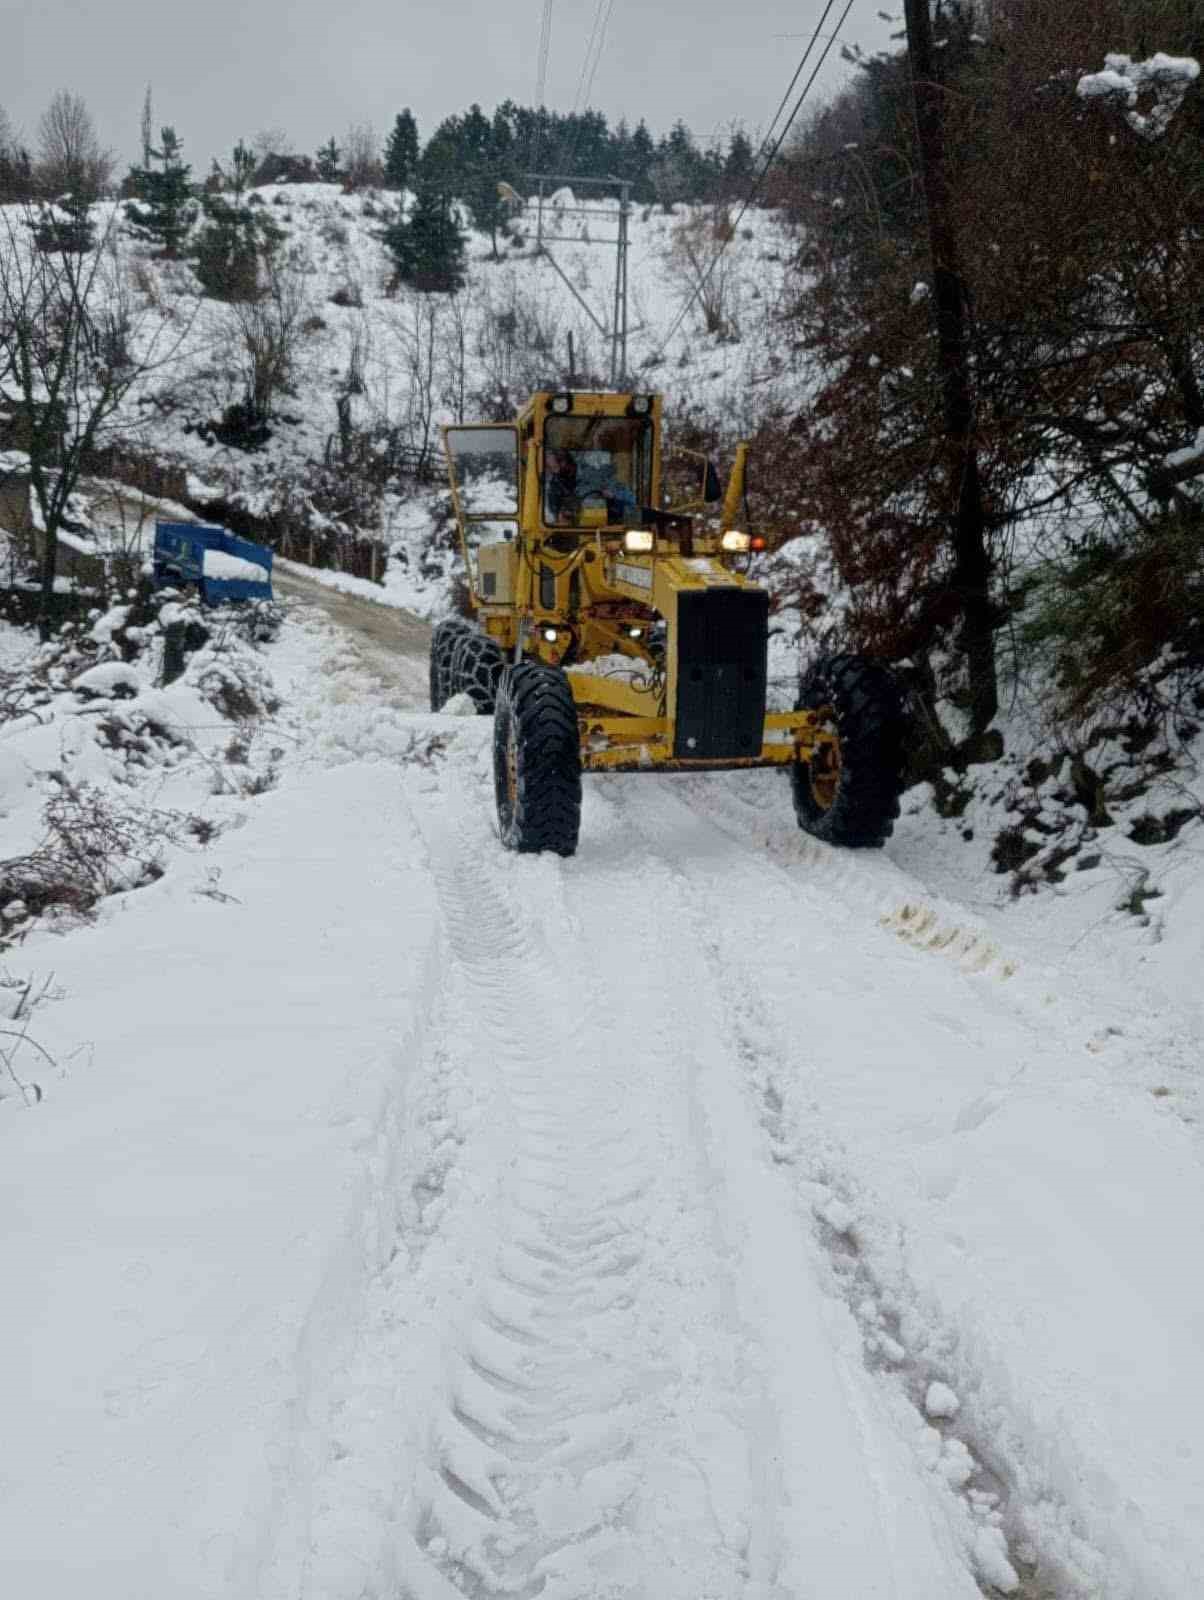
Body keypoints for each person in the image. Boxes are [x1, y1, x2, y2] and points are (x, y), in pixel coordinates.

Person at [545, 446, 638, 525]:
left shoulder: (595, 477)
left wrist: (613, 495)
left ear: (565, 463)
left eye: (556, 468)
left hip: (606, 529)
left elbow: (630, 500)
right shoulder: (555, 486)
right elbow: (555, 512)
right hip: (573, 533)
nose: (555, 473)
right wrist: (561, 515)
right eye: (552, 469)